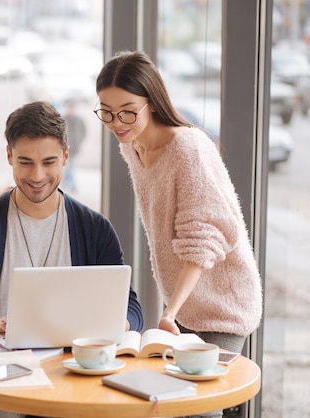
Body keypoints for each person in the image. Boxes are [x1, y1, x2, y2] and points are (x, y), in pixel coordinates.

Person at [0, 101, 143, 418]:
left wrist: (109, 325)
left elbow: (133, 310)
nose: (37, 175)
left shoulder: (94, 228)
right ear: (9, 157)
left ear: (66, 157)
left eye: (49, 162)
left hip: (75, 372)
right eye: (25, 162)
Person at [95, 51, 262, 417]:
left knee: (200, 407)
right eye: (106, 111)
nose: (116, 122)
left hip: (222, 305)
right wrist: (175, 311)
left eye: (127, 111)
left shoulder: (187, 147)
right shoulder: (132, 145)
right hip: (185, 305)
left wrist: (170, 310)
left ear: (151, 103)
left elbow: (202, 241)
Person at [62, 101, 86, 191]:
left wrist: (80, 141)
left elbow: (84, 131)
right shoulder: (64, 119)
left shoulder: (79, 120)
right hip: (66, 146)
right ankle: (72, 184)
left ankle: (66, 182)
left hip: (75, 147)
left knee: (70, 165)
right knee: (69, 165)